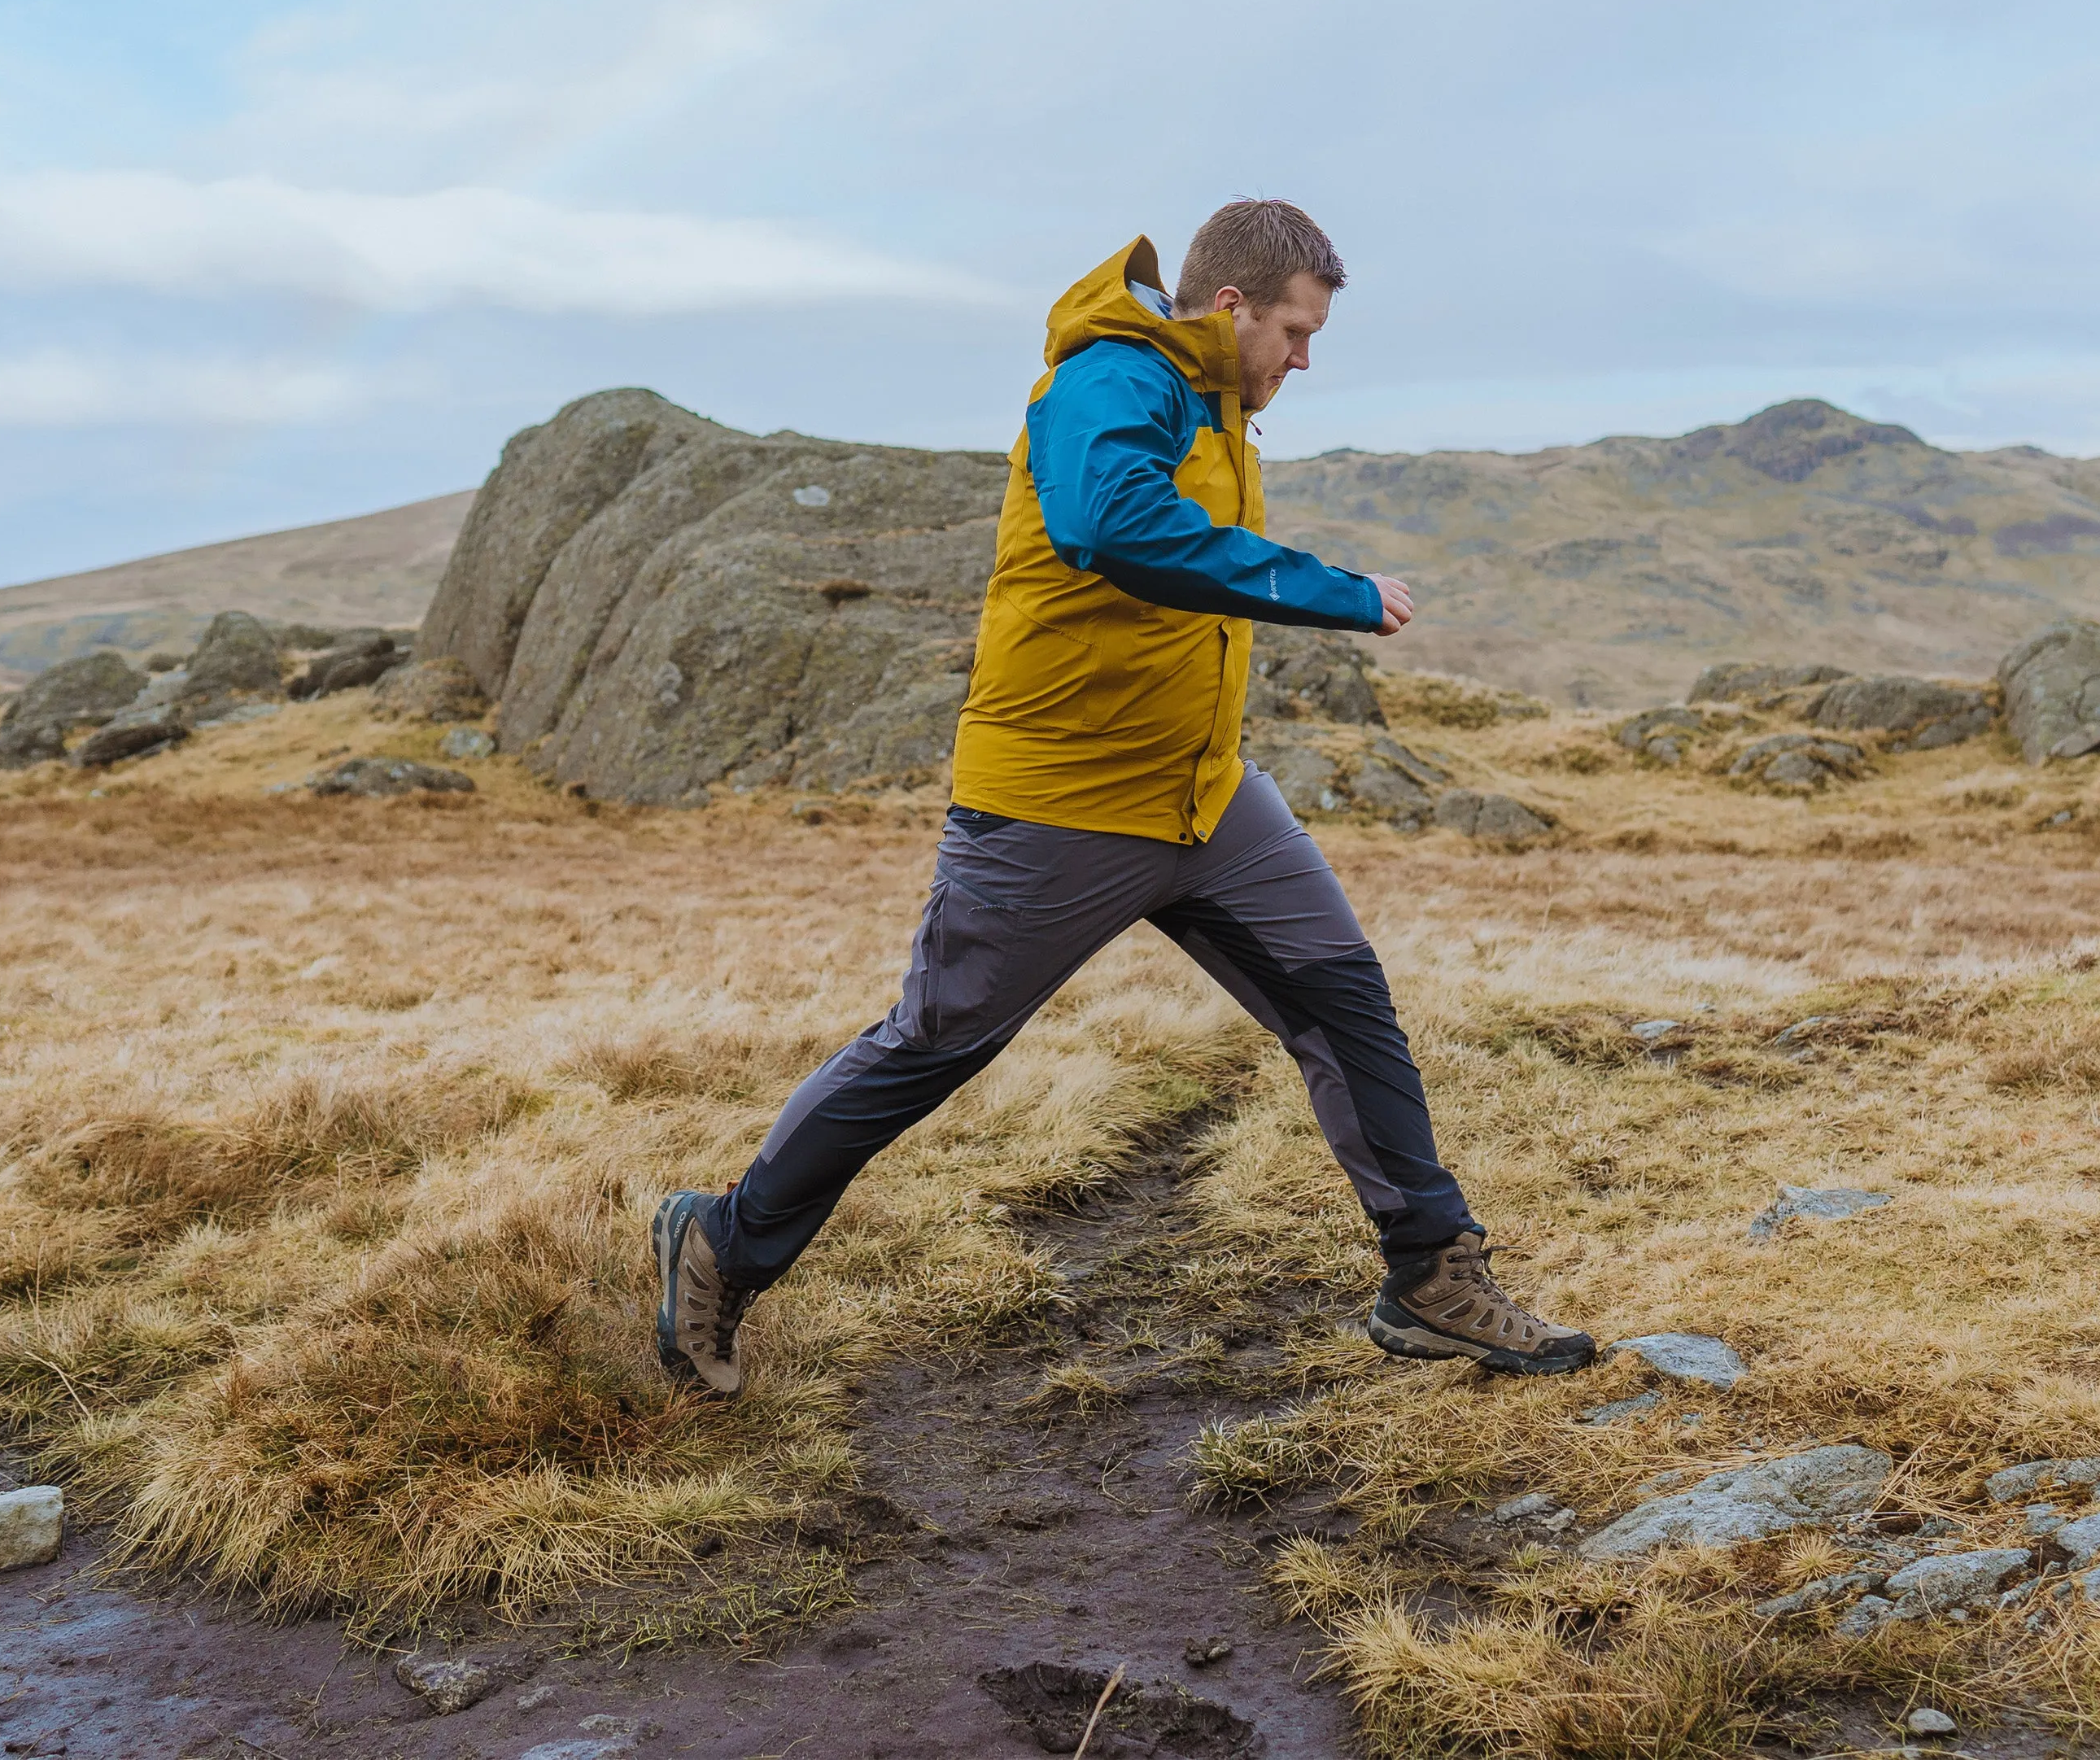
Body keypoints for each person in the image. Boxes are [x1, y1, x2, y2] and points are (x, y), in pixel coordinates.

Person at [653, 200, 1596, 1392]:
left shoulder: (1217, 406)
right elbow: (1111, 525)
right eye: (1294, 334)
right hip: (1059, 798)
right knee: (934, 1044)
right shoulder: (1111, 377)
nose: (1302, 361)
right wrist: (1331, 591)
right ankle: (722, 1245)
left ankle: (1430, 1274)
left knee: (1342, 1001)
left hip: (1205, 799)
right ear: (1228, 307)